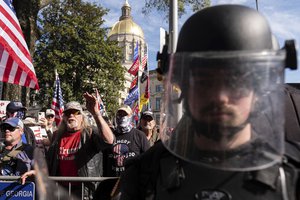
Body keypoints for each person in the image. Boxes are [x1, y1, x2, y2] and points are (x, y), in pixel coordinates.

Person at [120, 5, 300, 200]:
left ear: (257, 90)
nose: (221, 97)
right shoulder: (146, 174)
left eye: (236, 82)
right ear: (184, 89)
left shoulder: (292, 174)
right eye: (205, 82)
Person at [46, 92, 114, 199]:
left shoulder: (90, 133)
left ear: (82, 117)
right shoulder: (57, 136)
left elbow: (109, 140)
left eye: (75, 112)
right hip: (62, 191)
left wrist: (96, 113)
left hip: (85, 191)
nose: (71, 115)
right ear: (64, 117)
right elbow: (49, 161)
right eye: (68, 113)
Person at [104, 105, 150, 177]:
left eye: (125, 114)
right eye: (119, 114)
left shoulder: (139, 135)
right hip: (112, 182)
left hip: (131, 183)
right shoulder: (110, 135)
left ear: (130, 116)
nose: (122, 117)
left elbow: (148, 159)